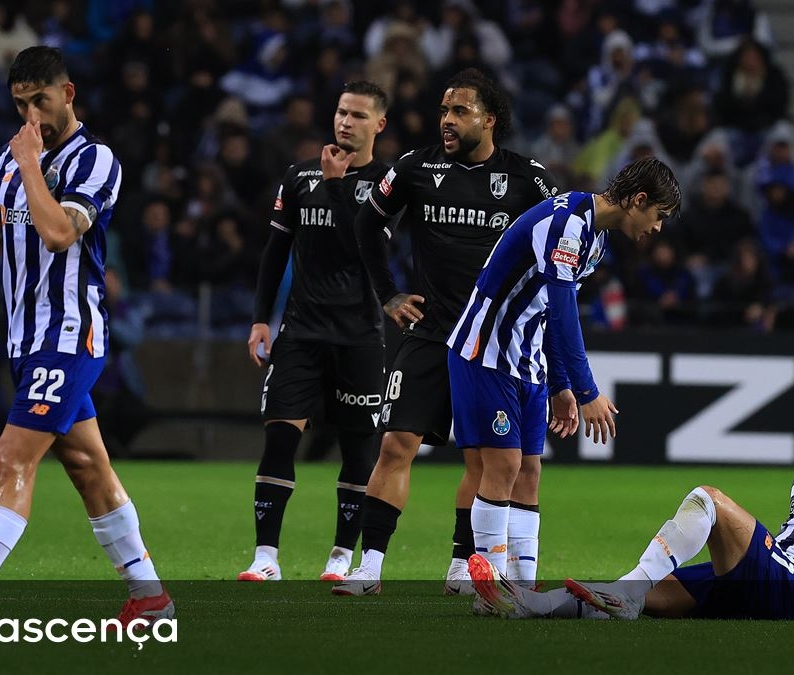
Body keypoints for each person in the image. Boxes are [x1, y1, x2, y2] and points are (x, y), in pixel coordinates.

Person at [0, 46, 172, 626]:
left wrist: (30, 163)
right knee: (88, 468)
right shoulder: (8, 158)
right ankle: (150, 597)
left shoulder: (93, 160)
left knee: (11, 457)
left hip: (69, 334)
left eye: (40, 102)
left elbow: (56, 235)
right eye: (20, 105)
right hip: (26, 341)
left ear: (67, 94)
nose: (32, 118)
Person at [469, 364, 794, 625]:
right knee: (645, 596)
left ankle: (623, 592)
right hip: (778, 582)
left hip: (786, 583)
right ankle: (529, 606)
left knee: (707, 498)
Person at [334, 68, 560, 596]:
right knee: (394, 445)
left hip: (492, 344)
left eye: (459, 111)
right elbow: (367, 225)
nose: (447, 121)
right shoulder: (416, 167)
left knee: (481, 459)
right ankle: (370, 566)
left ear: (490, 119)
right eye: (443, 111)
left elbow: (559, 257)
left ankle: (463, 562)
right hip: (432, 334)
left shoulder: (529, 180)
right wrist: (387, 292)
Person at [448, 157, 680, 589]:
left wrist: (560, 385)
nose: (658, 228)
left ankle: (522, 586)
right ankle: (490, 585)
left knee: (529, 472)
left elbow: (549, 314)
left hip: (527, 359)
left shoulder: (596, 239)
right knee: (504, 464)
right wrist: (587, 388)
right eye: (659, 216)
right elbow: (563, 310)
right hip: (485, 351)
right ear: (639, 200)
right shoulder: (567, 224)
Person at [238, 81, 392, 583]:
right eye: (341, 112)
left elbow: (368, 249)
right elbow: (274, 252)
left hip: (361, 334)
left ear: (379, 125)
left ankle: (340, 556)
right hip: (301, 331)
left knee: (358, 450)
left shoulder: (390, 183)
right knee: (280, 440)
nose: (346, 122)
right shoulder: (298, 175)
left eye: (359, 116)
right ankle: (265, 557)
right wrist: (263, 317)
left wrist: (339, 186)